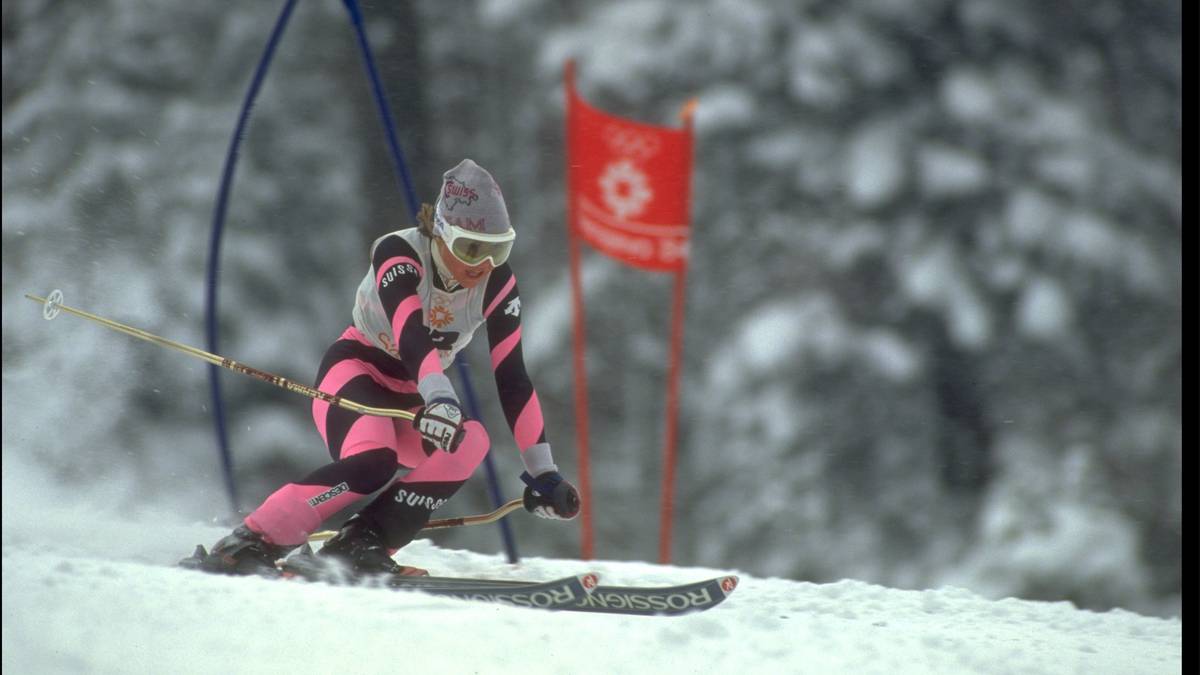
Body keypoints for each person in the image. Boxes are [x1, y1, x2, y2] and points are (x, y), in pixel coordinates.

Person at [188, 159, 581, 578]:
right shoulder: (399, 252)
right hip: (356, 374)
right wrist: (441, 398)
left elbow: (513, 378)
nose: (483, 264)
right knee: (374, 461)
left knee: (472, 441)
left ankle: (361, 544)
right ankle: (250, 540)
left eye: (498, 249)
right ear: (442, 232)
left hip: (415, 398)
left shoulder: (497, 284)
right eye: (471, 248)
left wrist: (544, 473)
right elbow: (411, 334)